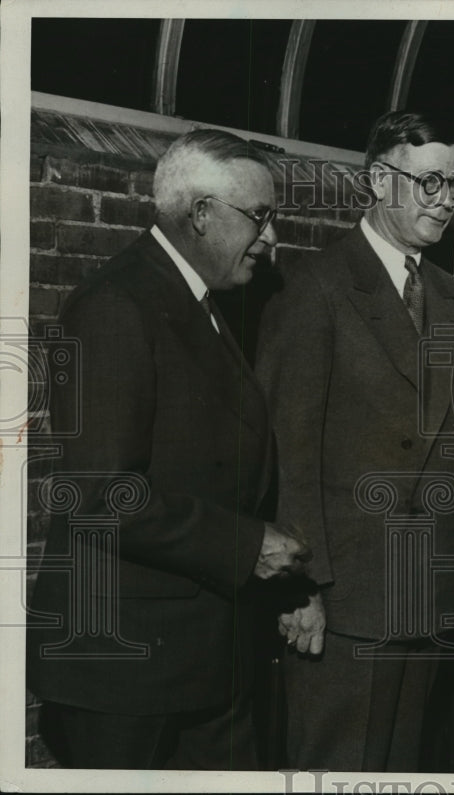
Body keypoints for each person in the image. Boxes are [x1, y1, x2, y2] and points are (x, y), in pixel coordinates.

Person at [27, 129, 309, 770]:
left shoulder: (198, 301)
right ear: (200, 213)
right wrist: (246, 546)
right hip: (125, 673)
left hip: (195, 660)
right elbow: (99, 495)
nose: (271, 239)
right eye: (260, 217)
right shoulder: (116, 306)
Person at [255, 111, 454, 772]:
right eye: (430, 183)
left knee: (401, 770)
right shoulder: (312, 287)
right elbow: (284, 453)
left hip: (425, 594)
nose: (446, 201)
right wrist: (301, 588)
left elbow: (451, 440)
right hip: (343, 600)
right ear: (381, 179)